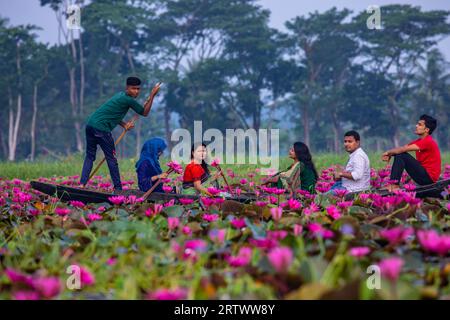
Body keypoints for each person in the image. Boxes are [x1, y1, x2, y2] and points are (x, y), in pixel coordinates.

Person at [79, 77, 160, 191]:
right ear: (127, 88)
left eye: (138, 89)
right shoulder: (128, 100)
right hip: (102, 129)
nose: (136, 91)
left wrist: (124, 124)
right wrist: (152, 95)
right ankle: (118, 189)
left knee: (90, 156)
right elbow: (144, 112)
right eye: (133, 89)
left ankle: (82, 184)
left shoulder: (120, 95)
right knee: (111, 159)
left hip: (91, 125)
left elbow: (112, 114)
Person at [382, 114, 441, 191]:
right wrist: (390, 154)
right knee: (400, 154)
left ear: (426, 129)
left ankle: (394, 185)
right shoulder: (419, 141)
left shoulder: (428, 141)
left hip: (428, 178)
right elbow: (402, 148)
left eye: (419, 125)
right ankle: (393, 184)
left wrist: (387, 152)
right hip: (423, 176)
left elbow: (403, 149)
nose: (416, 126)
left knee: (401, 155)